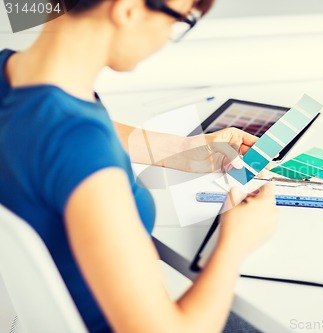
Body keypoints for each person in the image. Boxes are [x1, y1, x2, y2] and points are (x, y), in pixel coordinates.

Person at [0, 0, 279, 332]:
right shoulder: (78, 143)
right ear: (128, 9)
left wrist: (184, 149)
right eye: (177, 20)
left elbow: (61, 131)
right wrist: (236, 242)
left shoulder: (16, 78)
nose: (166, 37)